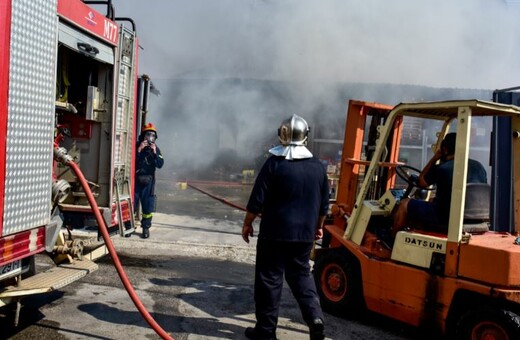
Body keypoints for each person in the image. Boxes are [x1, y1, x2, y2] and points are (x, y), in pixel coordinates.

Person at [242, 114, 329, 340]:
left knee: (269, 280)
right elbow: (324, 205)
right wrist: (318, 228)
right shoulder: (318, 168)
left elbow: (257, 199)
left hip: (274, 234)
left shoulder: (274, 163)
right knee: (302, 276)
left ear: (281, 135)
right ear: (305, 136)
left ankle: (266, 331)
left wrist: (247, 223)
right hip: (303, 236)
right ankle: (315, 319)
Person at [393, 133, 487, 237]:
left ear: (445, 150)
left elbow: (421, 182)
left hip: (445, 217)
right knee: (432, 201)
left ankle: (392, 242)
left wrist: (435, 158)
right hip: (474, 218)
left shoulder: (442, 168)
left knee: (404, 204)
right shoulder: (479, 167)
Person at [134, 123, 164, 239]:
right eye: (147, 135)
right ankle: (128, 226)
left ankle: (145, 228)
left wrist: (155, 152)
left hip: (149, 181)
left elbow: (160, 164)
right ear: (143, 136)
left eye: (152, 136)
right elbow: (132, 161)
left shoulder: (156, 149)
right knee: (132, 203)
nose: (149, 138)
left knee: (148, 206)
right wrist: (139, 150)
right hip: (136, 179)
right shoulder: (137, 146)